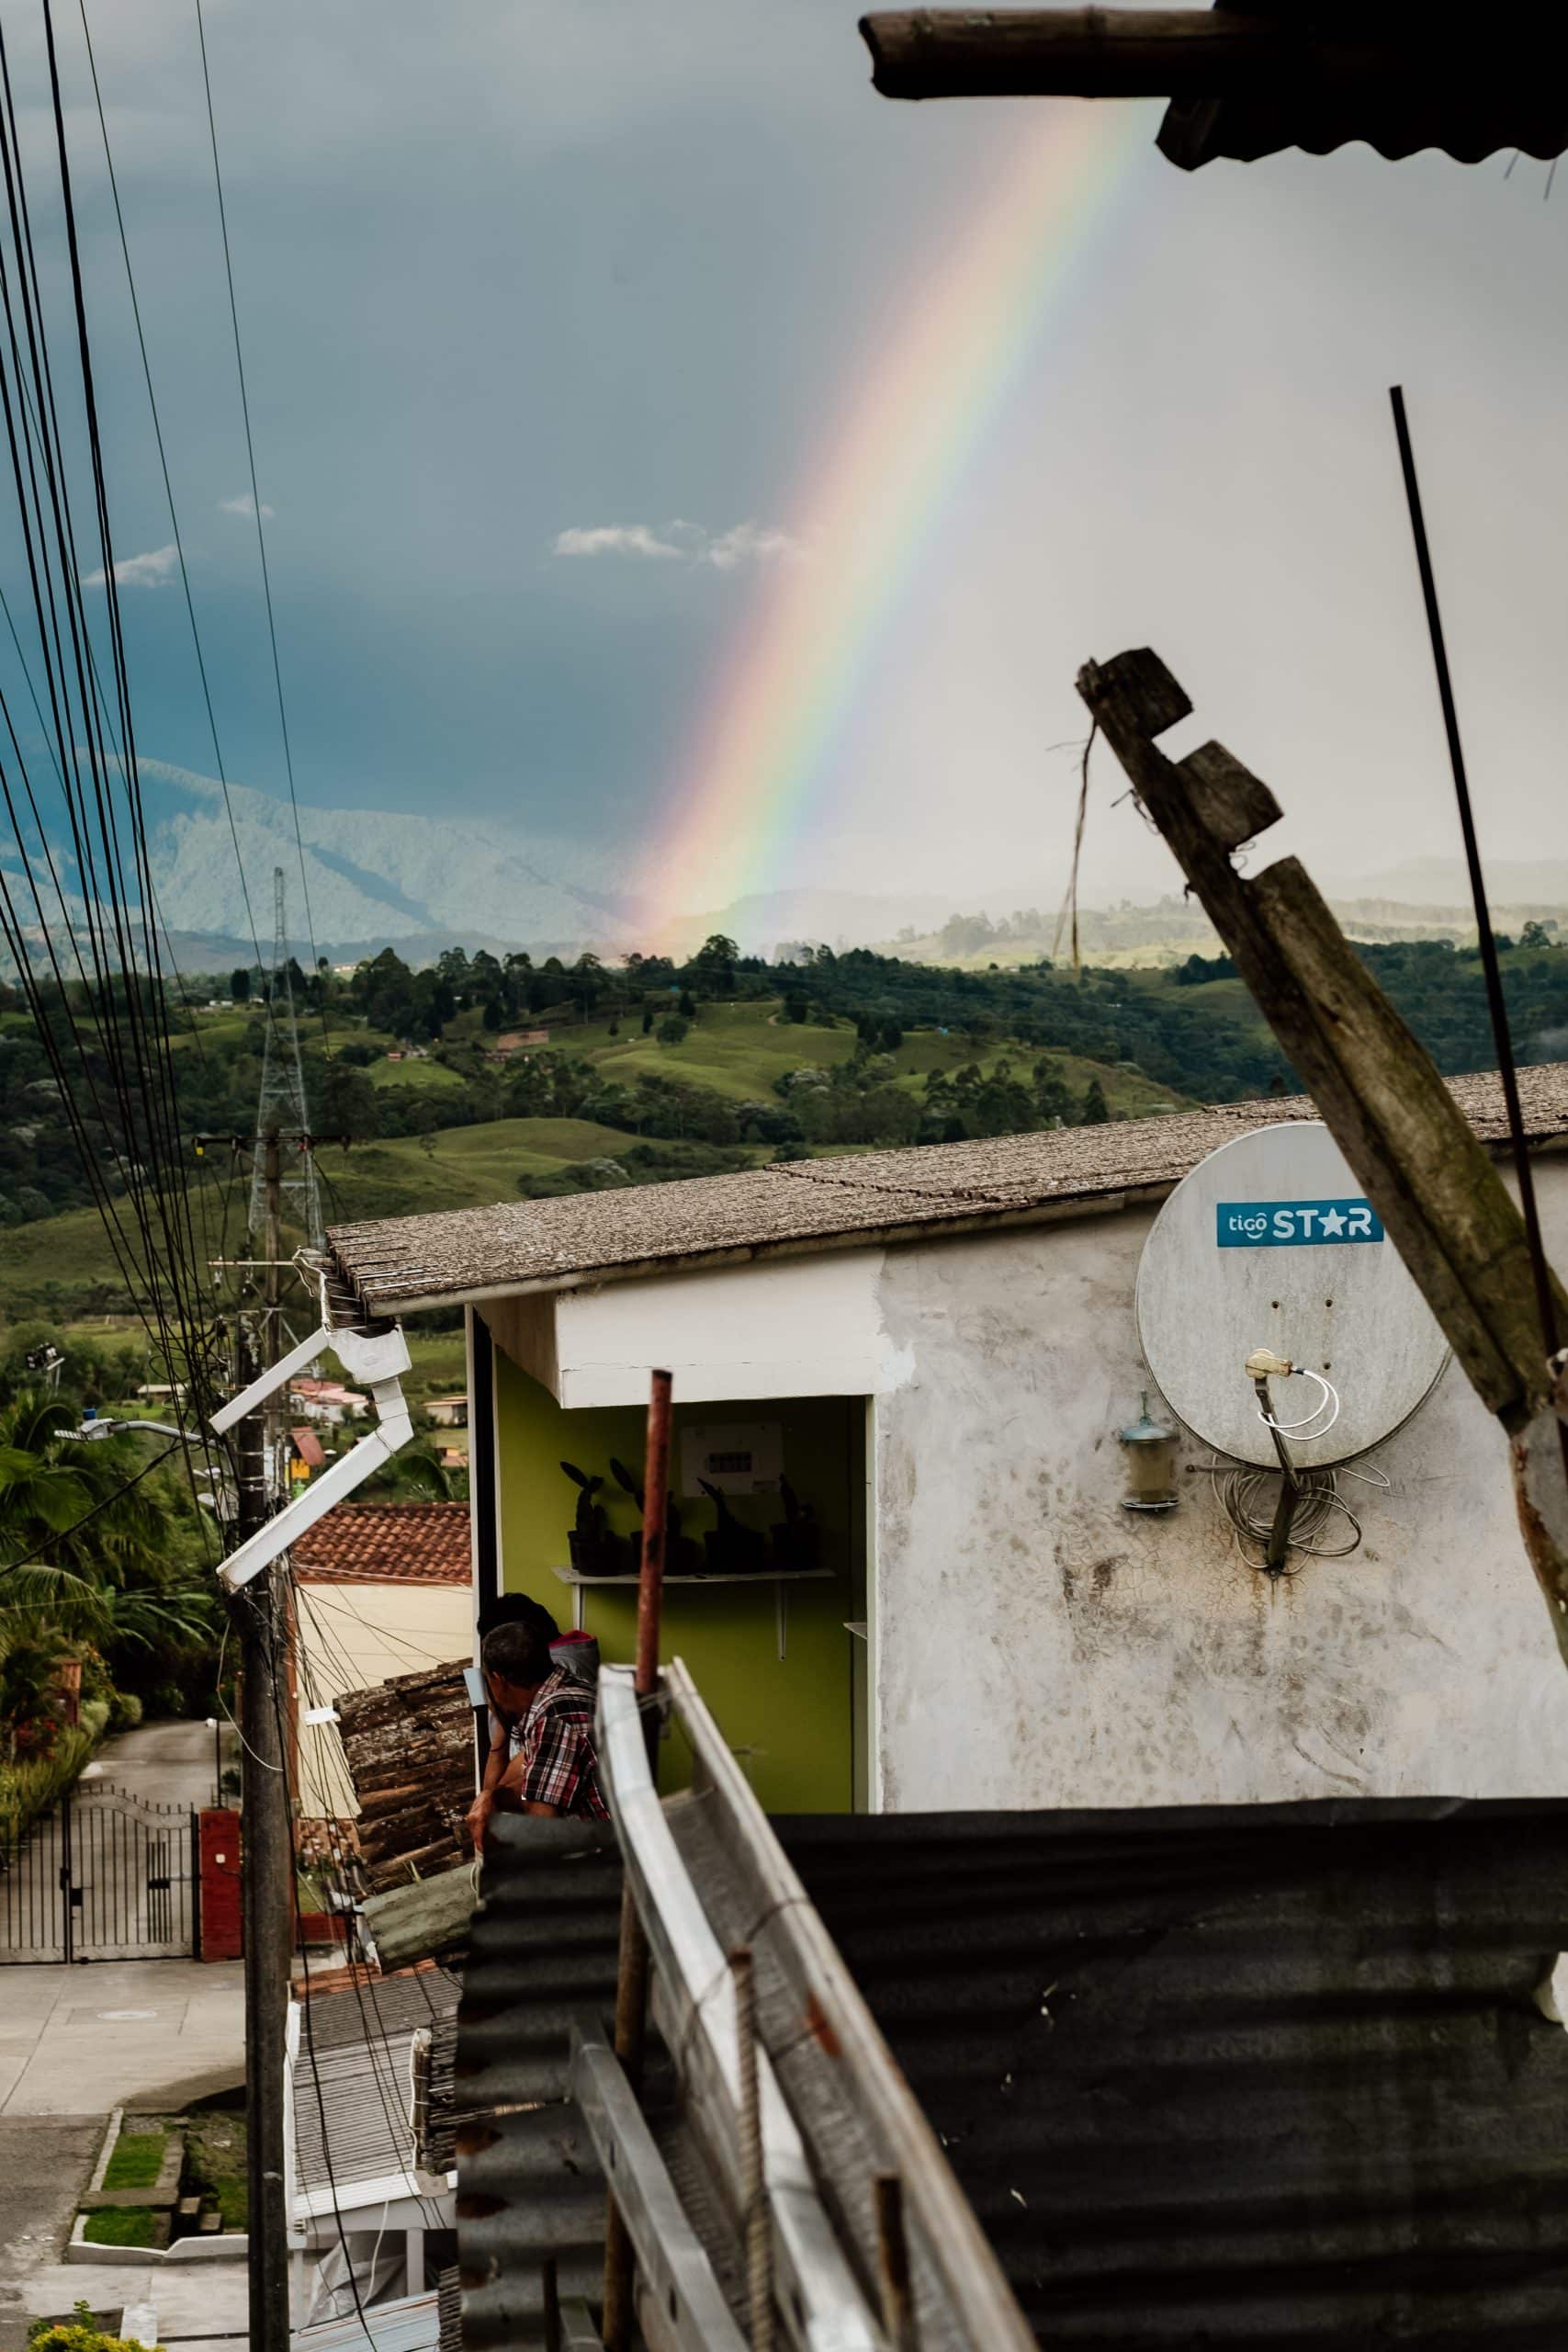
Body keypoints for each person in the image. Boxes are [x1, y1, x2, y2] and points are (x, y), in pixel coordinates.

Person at [465, 1613, 608, 1846]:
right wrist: (493, 1797)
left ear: (497, 1679)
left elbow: (542, 1824)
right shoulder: (566, 1693)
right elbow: (529, 1783)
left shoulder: (556, 1715)